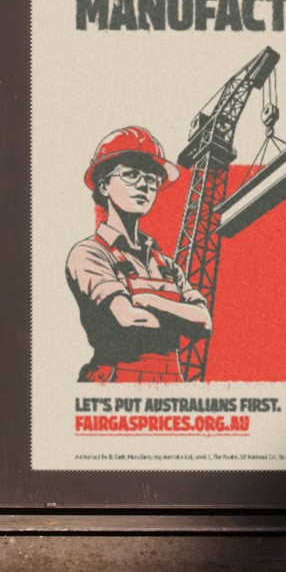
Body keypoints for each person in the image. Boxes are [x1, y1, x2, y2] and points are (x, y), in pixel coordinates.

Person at [65, 125, 212, 382]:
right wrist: (180, 316)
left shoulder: (165, 264)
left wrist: (150, 300)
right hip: (114, 390)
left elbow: (204, 323)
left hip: (171, 391)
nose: (144, 185)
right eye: (131, 174)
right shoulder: (88, 253)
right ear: (103, 186)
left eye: (152, 179)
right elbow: (129, 318)